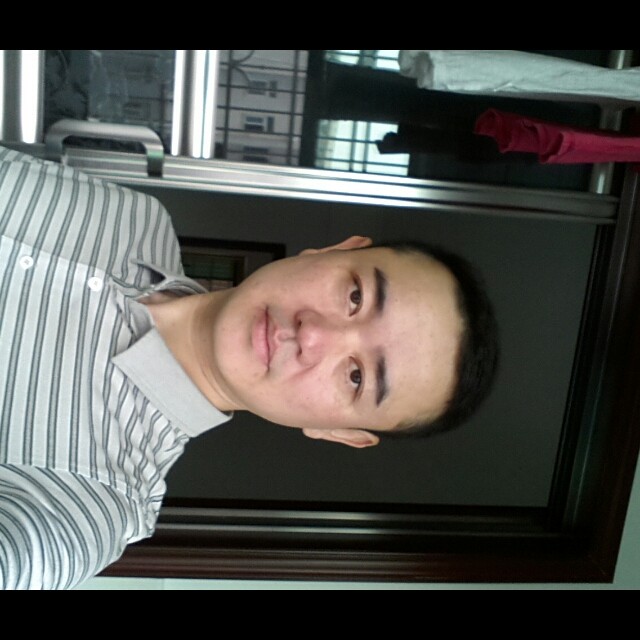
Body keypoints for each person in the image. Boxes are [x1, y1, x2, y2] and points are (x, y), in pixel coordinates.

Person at [0, 144, 498, 588]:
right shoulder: (137, 217)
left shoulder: (95, 497)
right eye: (355, 295)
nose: (313, 334)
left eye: (356, 377)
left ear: (338, 432)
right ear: (335, 250)